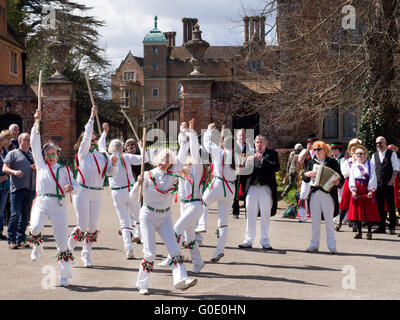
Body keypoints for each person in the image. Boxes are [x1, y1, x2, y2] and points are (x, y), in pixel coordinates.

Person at [133, 126, 197, 295]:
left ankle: (181, 280)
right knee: (150, 253)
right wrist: (138, 183)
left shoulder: (172, 173)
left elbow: (182, 158)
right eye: (163, 159)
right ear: (157, 159)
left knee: (175, 250)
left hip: (165, 217)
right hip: (147, 215)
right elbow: (133, 196)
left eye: (168, 160)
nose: (165, 162)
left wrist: (184, 137)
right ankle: (142, 284)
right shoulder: (147, 175)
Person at [28, 110, 80, 286]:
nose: (50, 155)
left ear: (57, 153)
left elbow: (77, 187)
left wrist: (71, 187)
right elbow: (35, 144)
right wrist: (37, 122)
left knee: (61, 240)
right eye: (47, 153)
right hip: (42, 201)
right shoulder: (41, 166)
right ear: (43, 156)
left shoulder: (65, 169)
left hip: (58, 203)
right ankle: (37, 244)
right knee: (34, 227)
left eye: (53, 153)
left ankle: (65, 274)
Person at [68, 106, 117, 267]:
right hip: (82, 191)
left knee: (92, 226)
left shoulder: (102, 155)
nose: (94, 142)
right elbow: (87, 135)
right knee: (82, 225)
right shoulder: (82, 154)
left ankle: (86, 254)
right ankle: (67, 251)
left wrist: (114, 165)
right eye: (92, 140)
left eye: (96, 140)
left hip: (97, 193)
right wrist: (91, 117)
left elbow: (110, 174)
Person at [158, 120, 205, 273]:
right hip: (184, 205)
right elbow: (181, 151)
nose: (188, 157)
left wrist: (192, 133)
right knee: (190, 237)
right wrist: (182, 133)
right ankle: (198, 262)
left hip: (195, 205)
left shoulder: (197, 167)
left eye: (190, 155)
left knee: (176, 229)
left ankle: (171, 257)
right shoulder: (181, 169)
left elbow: (194, 151)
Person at [106, 138, 147, 259]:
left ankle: (128, 249)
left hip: (117, 193)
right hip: (130, 190)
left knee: (124, 222)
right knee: (138, 217)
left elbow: (107, 173)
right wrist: (142, 148)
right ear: (120, 148)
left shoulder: (107, 160)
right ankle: (145, 246)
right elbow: (144, 159)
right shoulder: (126, 157)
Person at [202, 123, 237, 262]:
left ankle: (202, 225)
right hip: (230, 190)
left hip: (218, 184)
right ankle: (219, 250)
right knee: (223, 221)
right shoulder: (237, 156)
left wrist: (209, 130)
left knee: (203, 202)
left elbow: (206, 144)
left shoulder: (220, 152)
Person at [238, 135, 280, 250]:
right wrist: (247, 163)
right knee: (250, 214)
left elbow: (276, 167)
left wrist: (263, 160)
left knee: (265, 215)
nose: (259, 144)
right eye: (257, 142)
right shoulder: (249, 153)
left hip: (265, 188)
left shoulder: (272, 154)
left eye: (261, 142)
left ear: (266, 143)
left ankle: (265, 241)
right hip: (252, 187)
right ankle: (248, 240)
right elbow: (242, 171)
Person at [303, 141, 344, 254]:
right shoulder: (311, 162)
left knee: (329, 221)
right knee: (315, 221)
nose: (316, 152)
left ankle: (332, 246)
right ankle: (314, 245)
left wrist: (337, 182)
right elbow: (305, 177)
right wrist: (307, 174)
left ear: (324, 150)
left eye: (318, 149)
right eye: (315, 149)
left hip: (328, 194)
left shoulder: (332, 162)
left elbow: (341, 178)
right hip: (315, 193)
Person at [2, 132, 36, 249]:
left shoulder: (32, 155)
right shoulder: (13, 154)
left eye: (29, 140)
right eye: (26, 140)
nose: (28, 142)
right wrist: (14, 172)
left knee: (25, 216)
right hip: (17, 189)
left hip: (30, 188)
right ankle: (12, 239)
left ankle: (21, 239)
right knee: (15, 214)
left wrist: (36, 168)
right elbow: (5, 168)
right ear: (20, 141)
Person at [348, 145, 380, 240]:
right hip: (357, 189)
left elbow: (373, 177)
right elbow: (351, 178)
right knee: (357, 212)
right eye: (357, 154)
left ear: (365, 154)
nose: (359, 155)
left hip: (366, 189)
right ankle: (359, 232)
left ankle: (369, 232)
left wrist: (371, 190)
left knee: (368, 211)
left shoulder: (370, 165)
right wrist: (353, 190)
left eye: (361, 154)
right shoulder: (354, 165)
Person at [371, 136, 399, 234]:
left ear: (385, 143)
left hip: (389, 184)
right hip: (378, 185)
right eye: (377, 143)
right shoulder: (374, 155)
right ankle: (381, 227)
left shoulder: (392, 154)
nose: (379, 145)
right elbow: (372, 170)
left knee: (391, 206)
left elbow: (396, 169)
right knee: (380, 207)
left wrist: (392, 181)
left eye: (380, 143)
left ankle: (391, 227)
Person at [335, 139, 362, 232]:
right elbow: (345, 173)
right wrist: (354, 166)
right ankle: (340, 222)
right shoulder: (347, 162)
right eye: (352, 151)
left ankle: (354, 223)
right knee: (345, 202)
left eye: (356, 151)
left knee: (355, 203)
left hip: (357, 184)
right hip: (348, 183)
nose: (354, 153)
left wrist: (356, 164)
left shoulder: (361, 162)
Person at [232, 128, 253, 219]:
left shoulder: (249, 147)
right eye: (240, 135)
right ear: (237, 136)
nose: (242, 137)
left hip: (246, 173)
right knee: (235, 193)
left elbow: (252, 158)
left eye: (243, 135)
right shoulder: (232, 147)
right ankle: (235, 212)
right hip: (235, 173)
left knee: (247, 192)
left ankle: (248, 213)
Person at [124, 138, 142, 243]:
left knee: (140, 210)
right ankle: (134, 232)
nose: (130, 147)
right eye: (128, 145)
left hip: (141, 186)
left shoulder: (141, 156)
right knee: (130, 211)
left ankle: (140, 232)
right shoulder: (125, 158)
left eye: (132, 144)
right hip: (129, 188)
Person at [297, 134, 318, 222]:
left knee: (316, 196)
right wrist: (307, 150)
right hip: (307, 176)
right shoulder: (305, 151)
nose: (312, 145)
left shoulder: (320, 151)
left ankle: (316, 215)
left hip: (317, 177)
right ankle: (302, 216)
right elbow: (300, 160)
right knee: (303, 195)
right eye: (310, 143)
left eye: (313, 143)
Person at [0, 134, 10, 240]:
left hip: (5, 186)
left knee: (1, 210)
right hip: (1, 182)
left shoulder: (6, 153)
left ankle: (0, 231)